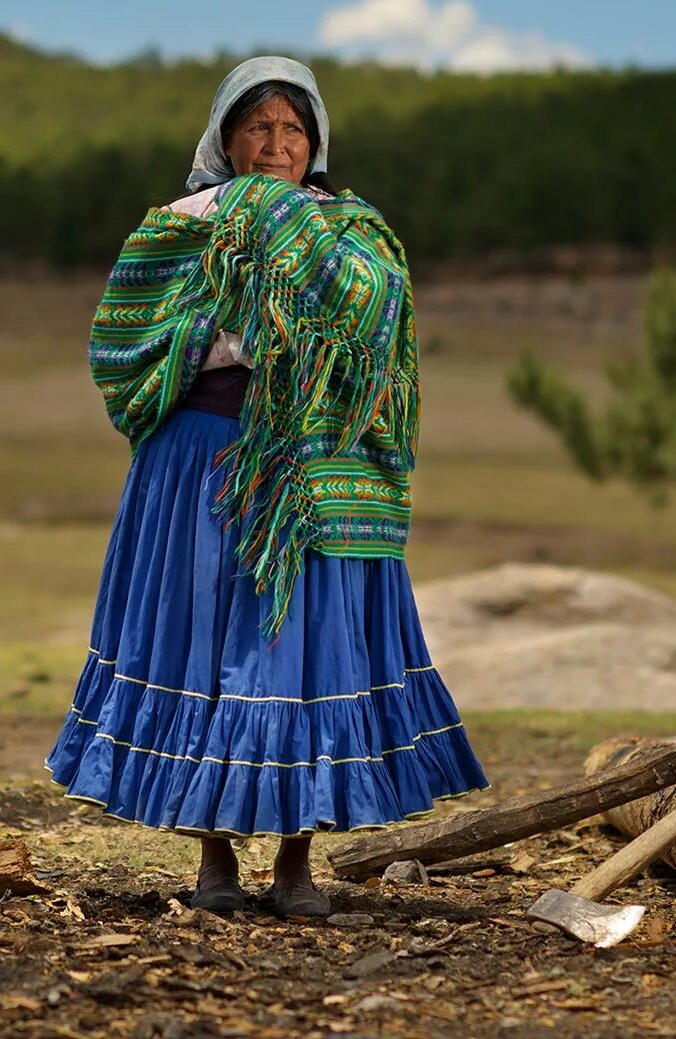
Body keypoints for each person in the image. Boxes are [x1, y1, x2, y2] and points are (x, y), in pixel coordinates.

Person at [47, 56, 488, 917]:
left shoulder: (355, 230)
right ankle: (212, 860)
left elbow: (376, 322)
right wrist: (234, 297)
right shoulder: (178, 224)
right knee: (203, 648)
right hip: (202, 459)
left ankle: (296, 862)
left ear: (315, 143)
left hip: (315, 466)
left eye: (293, 129)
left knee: (304, 653)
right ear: (226, 135)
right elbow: (122, 341)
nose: (276, 144)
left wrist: (282, 245)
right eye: (258, 126)